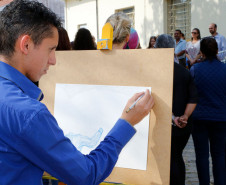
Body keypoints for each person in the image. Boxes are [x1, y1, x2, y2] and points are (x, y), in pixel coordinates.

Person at [0, 1, 155, 185]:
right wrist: (126, 123)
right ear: (25, 45)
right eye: (51, 49)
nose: (54, 60)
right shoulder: (28, 114)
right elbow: (86, 175)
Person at [155, 34, 198, 185]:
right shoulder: (184, 72)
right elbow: (193, 98)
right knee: (177, 157)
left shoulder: (155, 74)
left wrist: (173, 117)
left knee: (168, 159)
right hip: (183, 126)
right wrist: (185, 116)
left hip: (163, 124)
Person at [190, 37, 226, 185]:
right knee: (219, 156)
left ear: (201, 52)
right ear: (217, 50)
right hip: (221, 118)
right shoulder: (225, 69)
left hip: (199, 118)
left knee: (202, 155)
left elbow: (191, 94)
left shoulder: (195, 70)